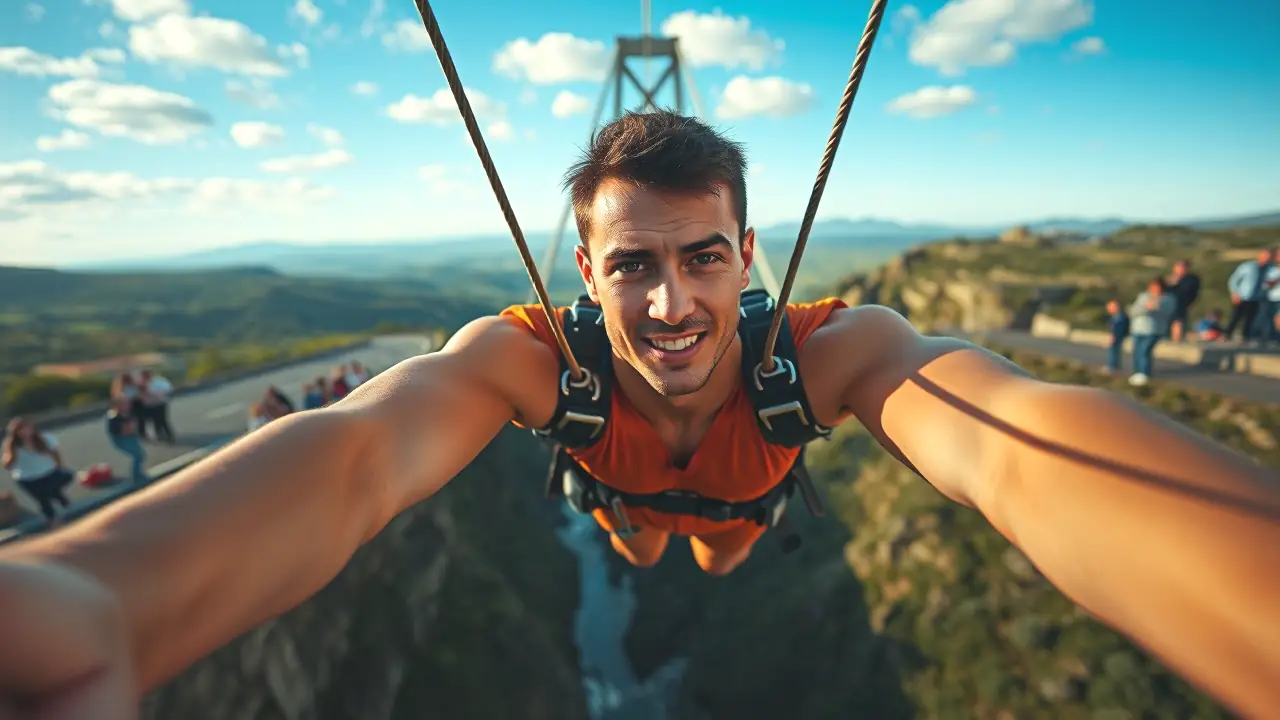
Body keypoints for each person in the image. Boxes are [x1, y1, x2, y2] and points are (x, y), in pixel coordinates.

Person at [0, 111, 1276, 719]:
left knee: (704, 543)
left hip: (729, 510)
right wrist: (107, 596)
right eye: (630, 265)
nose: (670, 303)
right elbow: (361, 456)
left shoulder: (828, 354)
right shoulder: (526, 364)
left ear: (745, 253)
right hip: (638, 504)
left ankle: (679, 534)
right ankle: (659, 531)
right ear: (583, 270)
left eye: (703, 258)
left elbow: (1015, 449)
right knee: (646, 539)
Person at [1, 418, 73, 526]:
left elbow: (55, 453)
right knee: (42, 498)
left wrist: (59, 465)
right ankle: (53, 521)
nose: (25, 432)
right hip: (27, 478)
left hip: (48, 472)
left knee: (67, 476)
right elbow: (8, 465)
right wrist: (11, 456)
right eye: (21, 430)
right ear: (15, 433)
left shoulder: (44, 438)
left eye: (27, 428)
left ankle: (57, 495)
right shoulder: (13, 445)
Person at [1126, 276, 1177, 386]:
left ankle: (1144, 374)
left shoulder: (1167, 299)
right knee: (1137, 351)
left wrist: (1155, 307)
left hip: (1154, 330)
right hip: (1138, 328)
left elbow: (1167, 312)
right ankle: (1137, 373)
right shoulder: (1143, 296)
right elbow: (1134, 309)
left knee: (1145, 351)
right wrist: (1145, 308)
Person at [1224, 247, 1275, 343]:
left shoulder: (1270, 269)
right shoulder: (1248, 266)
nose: (1266, 259)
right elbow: (1234, 279)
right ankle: (1227, 334)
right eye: (1265, 256)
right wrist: (1234, 292)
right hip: (1243, 296)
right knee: (1236, 317)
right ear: (1260, 256)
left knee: (1250, 318)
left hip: (1256, 297)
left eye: (1268, 257)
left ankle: (1245, 337)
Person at [105, 396, 149, 486]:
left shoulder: (127, 414)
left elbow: (133, 425)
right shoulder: (114, 417)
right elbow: (122, 431)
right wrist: (129, 427)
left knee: (141, 455)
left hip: (131, 437)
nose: (127, 406)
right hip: (122, 440)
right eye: (124, 404)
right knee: (137, 455)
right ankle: (136, 476)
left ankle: (138, 473)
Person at [1166, 259, 1200, 342]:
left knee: (1178, 323)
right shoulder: (1169, 279)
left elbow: (1191, 292)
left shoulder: (1191, 279)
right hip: (1168, 304)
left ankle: (1176, 341)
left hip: (1181, 304)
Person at [1102, 298, 1130, 375]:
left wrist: (1114, 336)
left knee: (1114, 351)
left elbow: (1117, 328)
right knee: (1114, 350)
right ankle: (1114, 366)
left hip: (1117, 336)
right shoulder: (1116, 316)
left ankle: (1113, 366)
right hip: (1116, 335)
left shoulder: (1120, 317)